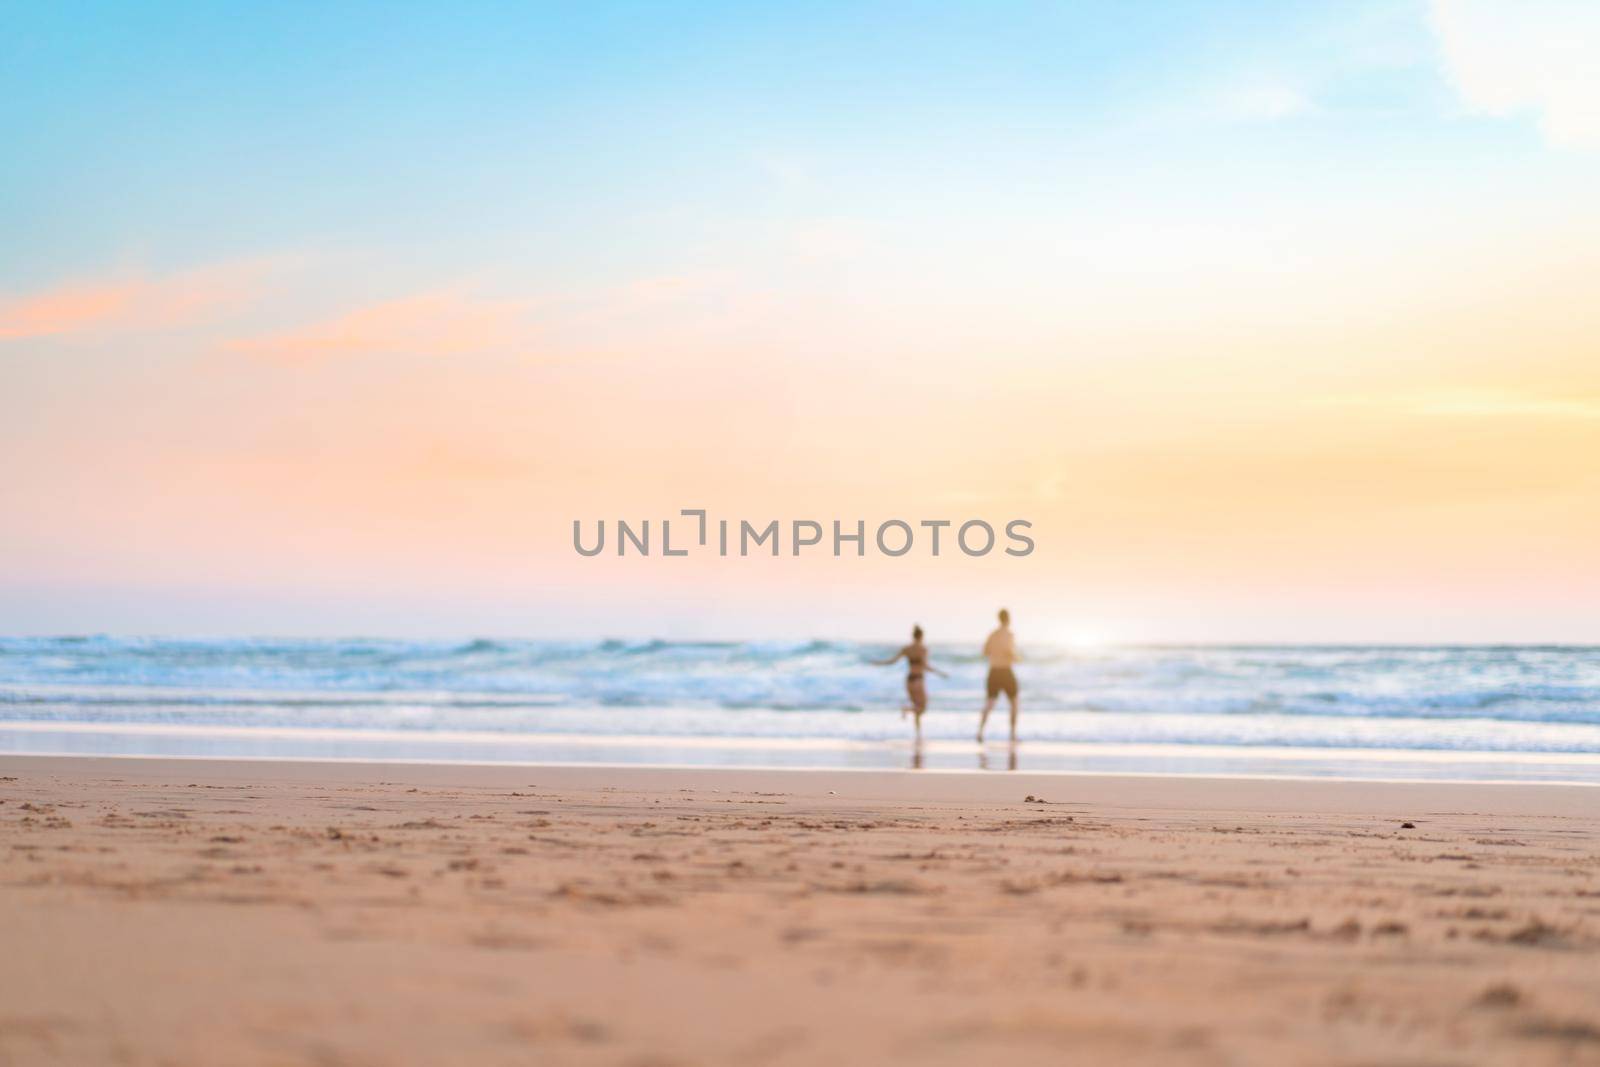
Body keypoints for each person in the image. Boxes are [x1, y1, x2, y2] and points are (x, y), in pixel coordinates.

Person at [873, 625, 946, 741]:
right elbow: (925, 666)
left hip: (909, 680)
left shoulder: (906, 649)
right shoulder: (923, 649)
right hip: (918, 680)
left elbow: (892, 661)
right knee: (922, 708)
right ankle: (906, 710)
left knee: (917, 707)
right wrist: (940, 673)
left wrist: (878, 663)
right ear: (921, 636)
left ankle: (918, 734)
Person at [977, 608, 1020, 743]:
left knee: (989, 703)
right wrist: (1016, 658)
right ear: (1008, 619)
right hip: (1005, 671)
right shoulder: (1009, 634)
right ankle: (1012, 735)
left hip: (993, 671)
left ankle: (980, 732)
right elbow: (1009, 651)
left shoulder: (992, 634)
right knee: (1014, 703)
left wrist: (996, 654)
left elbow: (985, 651)